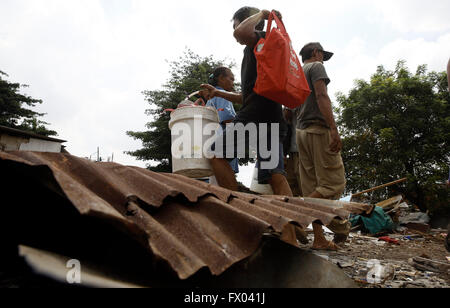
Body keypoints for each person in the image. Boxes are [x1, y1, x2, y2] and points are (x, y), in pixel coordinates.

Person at [201, 7, 292, 196]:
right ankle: (295, 226)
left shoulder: (257, 39)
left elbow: (240, 33)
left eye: (235, 24)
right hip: (272, 111)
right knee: (275, 173)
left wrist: (261, 15)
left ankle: (236, 209)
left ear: (246, 22)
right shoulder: (262, 46)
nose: (234, 32)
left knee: (216, 153)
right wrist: (219, 94)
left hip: (256, 113)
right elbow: (247, 96)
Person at [293, 42, 350, 251]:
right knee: (333, 183)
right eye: (322, 55)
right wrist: (333, 129)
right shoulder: (316, 67)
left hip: (301, 133)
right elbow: (321, 95)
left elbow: (288, 110)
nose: (323, 60)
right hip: (318, 130)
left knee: (312, 189)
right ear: (316, 53)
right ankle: (295, 214)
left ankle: (319, 239)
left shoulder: (296, 72)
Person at [205, 67, 239, 175]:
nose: (233, 83)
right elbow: (227, 118)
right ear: (221, 78)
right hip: (222, 146)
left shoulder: (211, 98)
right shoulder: (222, 94)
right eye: (231, 79)